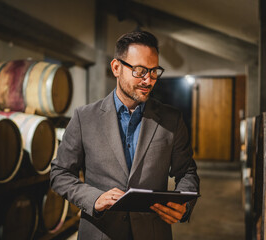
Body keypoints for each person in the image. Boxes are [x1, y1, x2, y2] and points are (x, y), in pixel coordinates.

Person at [50, 31, 199, 240]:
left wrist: (184, 202)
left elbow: (187, 172)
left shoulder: (171, 120)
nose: (148, 80)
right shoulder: (84, 118)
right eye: (140, 71)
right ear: (116, 68)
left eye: (154, 71)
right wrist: (94, 198)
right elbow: (60, 173)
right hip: (100, 233)